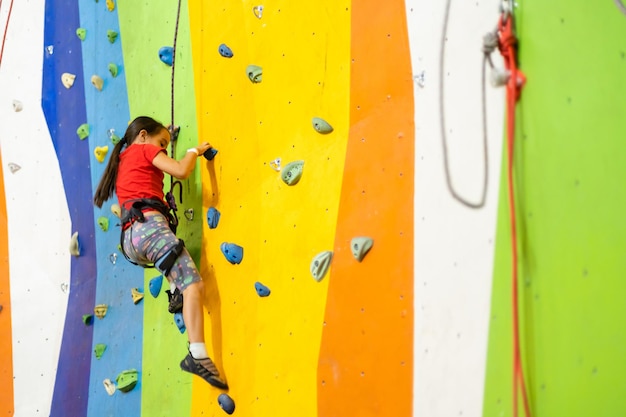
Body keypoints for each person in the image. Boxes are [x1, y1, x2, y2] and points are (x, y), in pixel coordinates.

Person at [93, 116, 228, 390]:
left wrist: (166, 135)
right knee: (195, 286)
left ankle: (173, 288)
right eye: (162, 144)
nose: (163, 150)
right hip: (150, 228)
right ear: (143, 136)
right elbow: (179, 171)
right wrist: (193, 152)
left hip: (133, 240)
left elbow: (146, 158)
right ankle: (198, 355)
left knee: (176, 267)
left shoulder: (124, 159)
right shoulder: (145, 149)